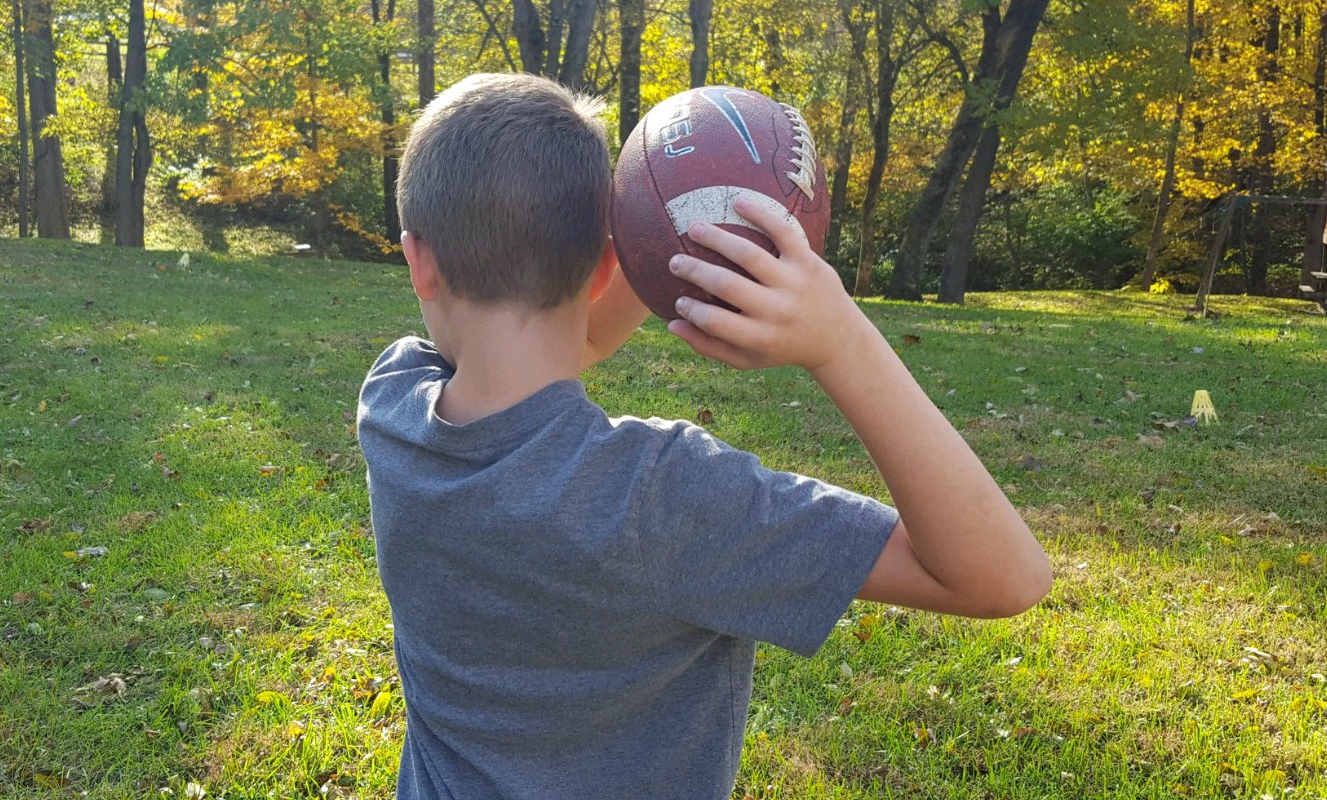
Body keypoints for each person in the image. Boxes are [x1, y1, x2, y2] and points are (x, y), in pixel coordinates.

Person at [356, 72, 1052, 800]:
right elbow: (1004, 576)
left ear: (418, 260)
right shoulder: (667, 498)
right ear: (604, 266)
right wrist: (840, 341)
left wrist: (626, 232)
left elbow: (557, 349)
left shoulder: (392, 401)